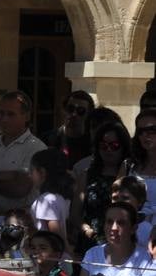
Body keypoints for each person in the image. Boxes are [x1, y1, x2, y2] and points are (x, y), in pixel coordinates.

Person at [73, 121, 131, 252]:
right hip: (90, 242)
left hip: (122, 241)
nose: (108, 150)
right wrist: (87, 231)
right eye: (103, 146)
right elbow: (75, 215)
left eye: (114, 145)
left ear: (124, 147)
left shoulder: (131, 175)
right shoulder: (86, 176)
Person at [29, 148, 73, 237]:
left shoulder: (46, 200)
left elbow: (55, 237)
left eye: (31, 171)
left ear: (42, 172)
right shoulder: (60, 197)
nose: (29, 175)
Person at [47, 90, 95, 168]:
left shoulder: (92, 143)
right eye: (70, 108)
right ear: (64, 110)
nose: (74, 114)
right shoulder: (48, 139)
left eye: (80, 111)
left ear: (88, 115)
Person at [128, 108, 156, 219]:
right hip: (133, 231)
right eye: (141, 131)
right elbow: (118, 202)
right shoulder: (128, 165)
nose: (145, 135)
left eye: (152, 130)